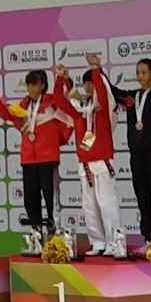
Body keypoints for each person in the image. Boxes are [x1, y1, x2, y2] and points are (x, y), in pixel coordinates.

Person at [0, 71, 72, 244]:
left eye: (34, 84)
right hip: (28, 160)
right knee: (31, 199)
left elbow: (69, 112)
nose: (30, 88)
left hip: (48, 159)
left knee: (51, 198)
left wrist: (62, 78)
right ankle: (36, 235)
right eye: (28, 84)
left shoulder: (53, 103)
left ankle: (55, 233)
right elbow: (5, 113)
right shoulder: (23, 106)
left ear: (42, 85)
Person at [56, 54, 122, 257]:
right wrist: (61, 79)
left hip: (102, 161)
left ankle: (114, 243)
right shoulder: (79, 110)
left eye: (91, 83)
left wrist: (95, 68)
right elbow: (59, 100)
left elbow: (102, 91)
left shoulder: (104, 107)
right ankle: (98, 242)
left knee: (106, 203)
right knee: (89, 206)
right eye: (86, 84)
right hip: (84, 163)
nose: (88, 87)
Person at [106, 56, 151, 255]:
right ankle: (148, 239)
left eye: (144, 72)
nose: (140, 76)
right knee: (142, 199)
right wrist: (97, 69)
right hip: (136, 156)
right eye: (138, 73)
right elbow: (112, 91)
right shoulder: (132, 98)